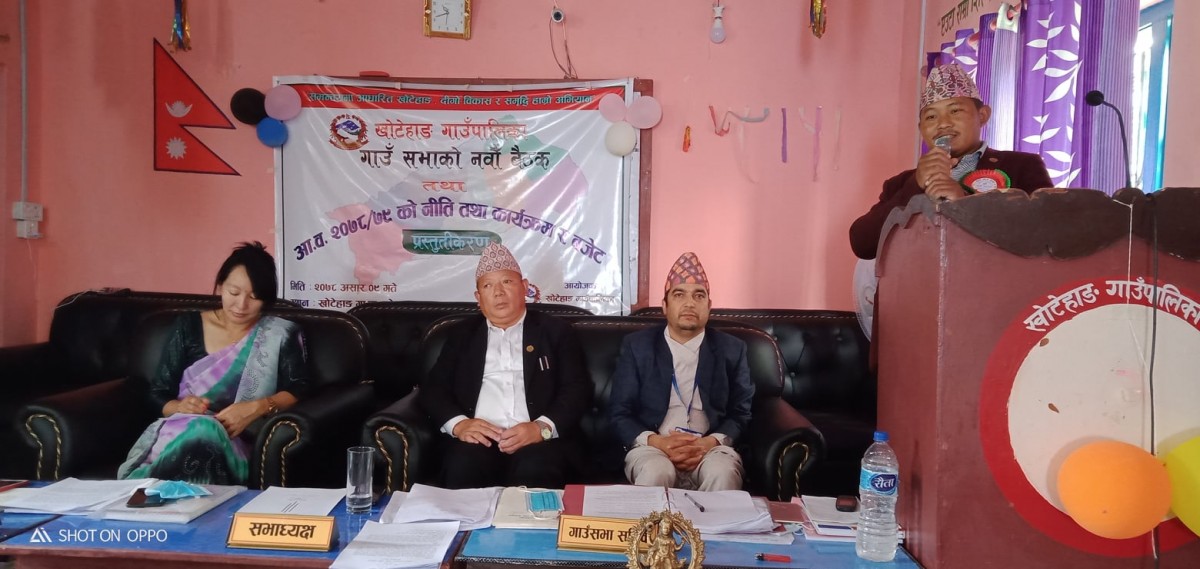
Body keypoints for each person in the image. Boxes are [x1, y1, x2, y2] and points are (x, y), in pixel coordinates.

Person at [118, 242, 308, 484]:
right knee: (201, 429)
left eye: (254, 297)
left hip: (237, 439)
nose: (241, 305)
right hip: (179, 432)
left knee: (206, 432)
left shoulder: (280, 333)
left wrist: (256, 408)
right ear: (220, 286)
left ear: (267, 299)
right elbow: (158, 393)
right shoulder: (188, 326)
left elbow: (299, 388)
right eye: (234, 293)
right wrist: (181, 407)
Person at [419, 242, 591, 488]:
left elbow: (576, 389)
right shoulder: (461, 335)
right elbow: (435, 389)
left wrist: (541, 428)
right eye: (488, 286)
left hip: (539, 441)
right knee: (462, 466)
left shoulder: (556, 331)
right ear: (478, 298)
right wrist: (460, 425)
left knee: (537, 468)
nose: (498, 292)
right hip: (477, 440)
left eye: (507, 282)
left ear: (524, 287)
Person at [849, 63, 1054, 259]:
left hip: (993, 280)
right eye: (931, 117)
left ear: (982, 115)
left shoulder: (1022, 166)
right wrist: (915, 185)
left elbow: (1048, 233)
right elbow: (863, 244)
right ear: (921, 129)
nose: (943, 124)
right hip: (918, 281)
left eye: (955, 111)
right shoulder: (901, 184)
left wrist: (965, 204)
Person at [608, 252, 754, 491]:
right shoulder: (638, 346)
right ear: (665, 306)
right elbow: (619, 412)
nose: (689, 303)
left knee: (722, 472)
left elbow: (741, 413)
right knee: (656, 471)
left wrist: (708, 443)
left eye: (699, 295)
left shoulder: (732, 349)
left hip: (711, 447)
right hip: (653, 446)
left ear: (709, 306)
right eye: (679, 295)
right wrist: (659, 442)